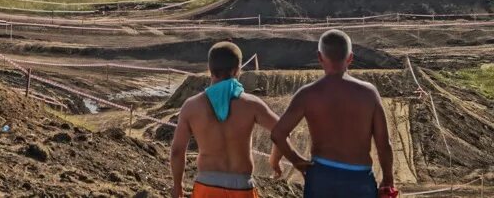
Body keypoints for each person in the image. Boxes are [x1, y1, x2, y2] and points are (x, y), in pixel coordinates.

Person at [271, 30, 395, 198]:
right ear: (350, 58)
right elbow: (383, 143)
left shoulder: (307, 94)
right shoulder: (368, 93)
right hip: (359, 180)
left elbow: (278, 133)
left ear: (320, 57)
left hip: (321, 178)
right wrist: (388, 178)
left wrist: (298, 161)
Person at [169, 42, 291, 198]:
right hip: (241, 186)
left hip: (206, 185)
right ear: (237, 70)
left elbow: (177, 151)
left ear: (210, 68)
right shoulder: (252, 104)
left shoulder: (191, 106)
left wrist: (177, 186)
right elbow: (283, 132)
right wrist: (274, 161)